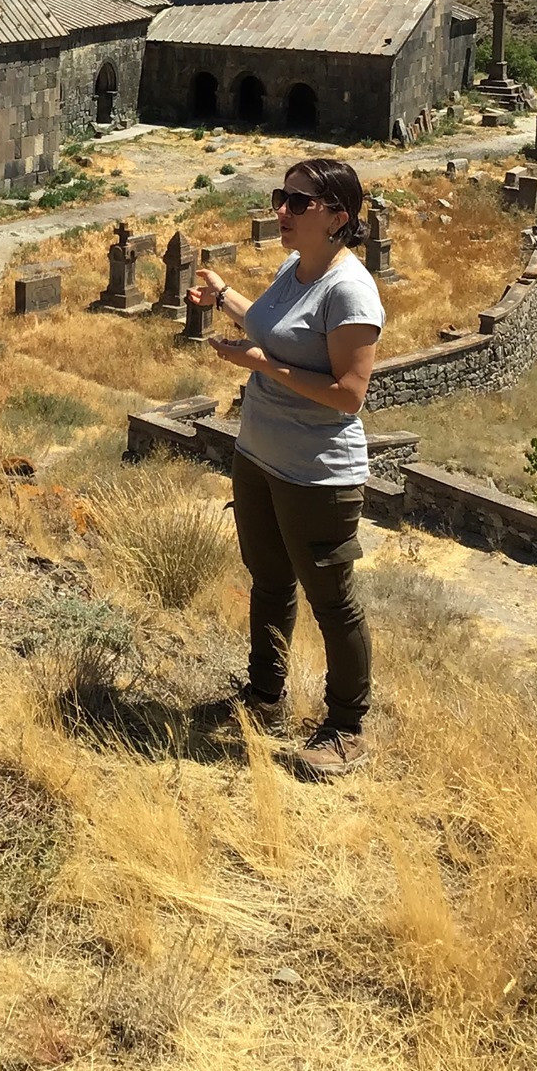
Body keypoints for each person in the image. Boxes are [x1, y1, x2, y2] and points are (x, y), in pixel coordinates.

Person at [191, 157, 382, 779]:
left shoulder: (348, 290)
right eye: (282, 197)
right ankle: (264, 697)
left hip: (317, 474)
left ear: (337, 217)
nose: (282, 210)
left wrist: (261, 366)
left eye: (299, 203)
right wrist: (223, 296)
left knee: (333, 602)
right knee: (269, 582)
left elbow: (349, 394)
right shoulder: (294, 268)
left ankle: (346, 728)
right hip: (259, 455)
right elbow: (271, 327)